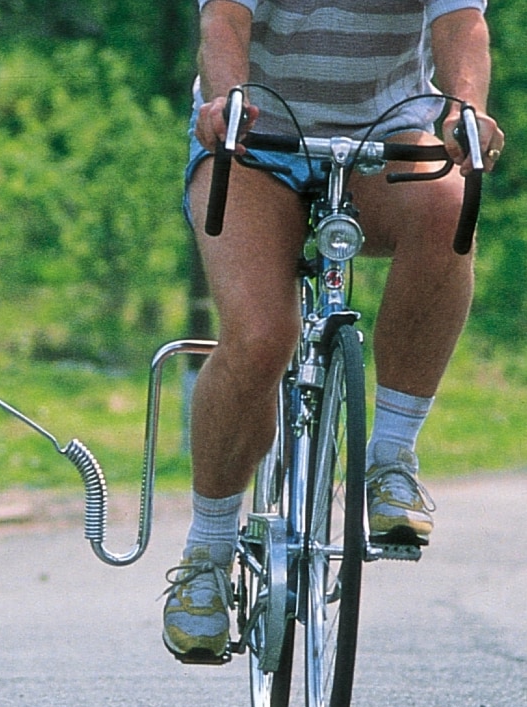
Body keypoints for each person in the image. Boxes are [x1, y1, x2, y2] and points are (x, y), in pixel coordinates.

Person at [163, 0, 505, 662]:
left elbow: (460, 25)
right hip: (254, 135)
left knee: (447, 204)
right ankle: (206, 558)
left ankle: (390, 461)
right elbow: (225, 19)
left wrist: (465, 107)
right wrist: (225, 99)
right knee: (260, 337)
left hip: (388, 129)